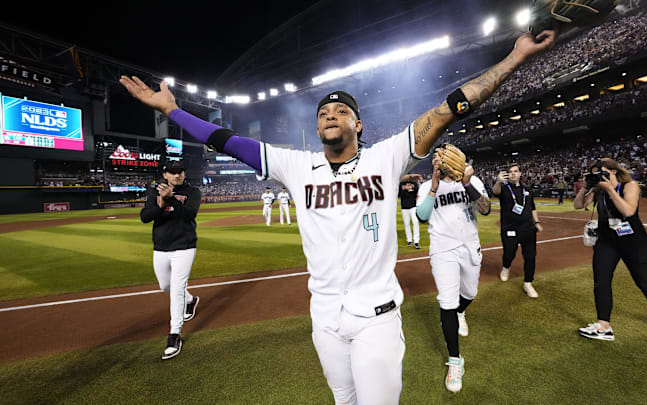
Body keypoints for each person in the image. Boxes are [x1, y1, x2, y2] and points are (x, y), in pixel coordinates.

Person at [120, 29, 555, 404]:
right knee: (342, 398)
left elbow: (450, 107)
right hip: (324, 315)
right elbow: (225, 139)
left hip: (377, 316)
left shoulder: (387, 157)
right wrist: (170, 112)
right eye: (323, 113)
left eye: (341, 111)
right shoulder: (295, 165)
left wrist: (515, 57)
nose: (330, 116)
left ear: (359, 125)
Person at [416, 146, 490, 393]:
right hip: (442, 248)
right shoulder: (426, 187)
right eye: (435, 156)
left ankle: (461, 313)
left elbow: (485, 208)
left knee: (469, 293)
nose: (438, 159)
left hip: (470, 246)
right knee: (447, 302)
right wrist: (435, 187)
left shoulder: (472, 180)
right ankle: (455, 360)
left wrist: (467, 183)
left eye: (442, 155)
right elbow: (423, 216)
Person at [573, 158, 647, 341]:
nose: (599, 177)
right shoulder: (597, 190)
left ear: (614, 172)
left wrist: (610, 189)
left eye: (602, 173)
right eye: (595, 174)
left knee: (644, 281)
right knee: (601, 281)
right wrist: (587, 186)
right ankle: (604, 326)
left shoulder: (629, 186)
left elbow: (628, 211)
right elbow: (578, 205)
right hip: (607, 242)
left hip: (634, 243)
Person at [139, 160, 201, 360]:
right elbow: (145, 217)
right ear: (165, 174)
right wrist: (161, 202)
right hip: (161, 247)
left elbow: (189, 214)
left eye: (180, 172)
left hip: (185, 246)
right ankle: (190, 300)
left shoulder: (193, 192)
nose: (177, 175)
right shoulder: (154, 191)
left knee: (176, 290)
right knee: (165, 286)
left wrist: (172, 199)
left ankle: (174, 335)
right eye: (173, 172)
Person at [492, 164, 543, 298]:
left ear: (520, 174)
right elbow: (495, 192)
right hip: (509, 228)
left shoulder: (527, 189)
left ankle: (528, 283)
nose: (513, 174)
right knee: (509, 253)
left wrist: (536, 222)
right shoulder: (503, 188)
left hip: (528, 228)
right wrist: (498, 181)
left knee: (530, 257)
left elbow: (532, 207)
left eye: (515, 171)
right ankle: (506, 266)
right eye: (510, 172)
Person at [399, 174, 422, 249]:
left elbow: (417, 192)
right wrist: (406, 188)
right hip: (404, 207)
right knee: (407, 224)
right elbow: (400, 194)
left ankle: (416, 241)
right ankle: (409, 240)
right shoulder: (401, 184)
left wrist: (411, 187)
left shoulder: (414, 183)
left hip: (413, 206)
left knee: (415, 222)